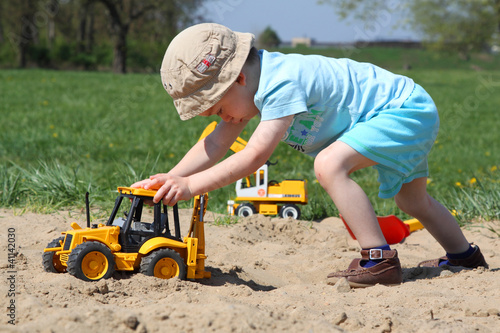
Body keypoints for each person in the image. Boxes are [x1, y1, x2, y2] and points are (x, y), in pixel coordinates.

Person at [132, 23, 488, 287]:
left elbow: (254, 156)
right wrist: (171, 176)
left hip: (403, 109)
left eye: (217, 108)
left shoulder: (281, 83)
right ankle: (464, 256)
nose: (222, 118)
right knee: (412, 199)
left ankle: (378, 258)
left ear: (238, 79)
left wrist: (191, 186)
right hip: (410, 106)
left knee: (329, 165)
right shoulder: (250, 88)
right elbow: (215, 143)